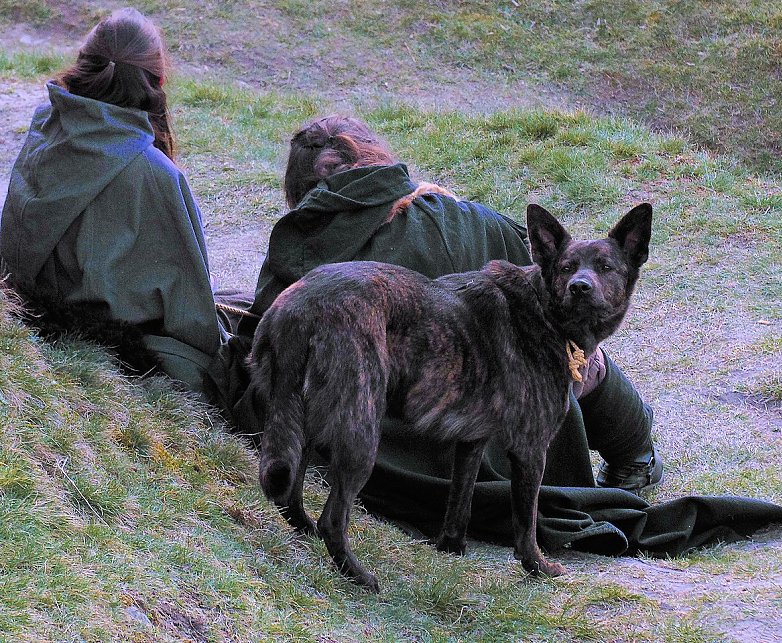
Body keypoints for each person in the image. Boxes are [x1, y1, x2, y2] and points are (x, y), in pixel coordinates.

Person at [216, 114, 662, 500]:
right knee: (576, 340)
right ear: (380, 164)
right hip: (509, 444)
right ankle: (636, 453)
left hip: (385, 456)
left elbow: (269, 349)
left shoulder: (300, 248)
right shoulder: (472, 219)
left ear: (302, 190)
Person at [0, 8, 223, 392]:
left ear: (83, 65)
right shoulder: (156, 174)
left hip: (31, 315)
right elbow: (194, 320)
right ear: (159, 80)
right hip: (117, 351)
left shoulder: (47, 125)